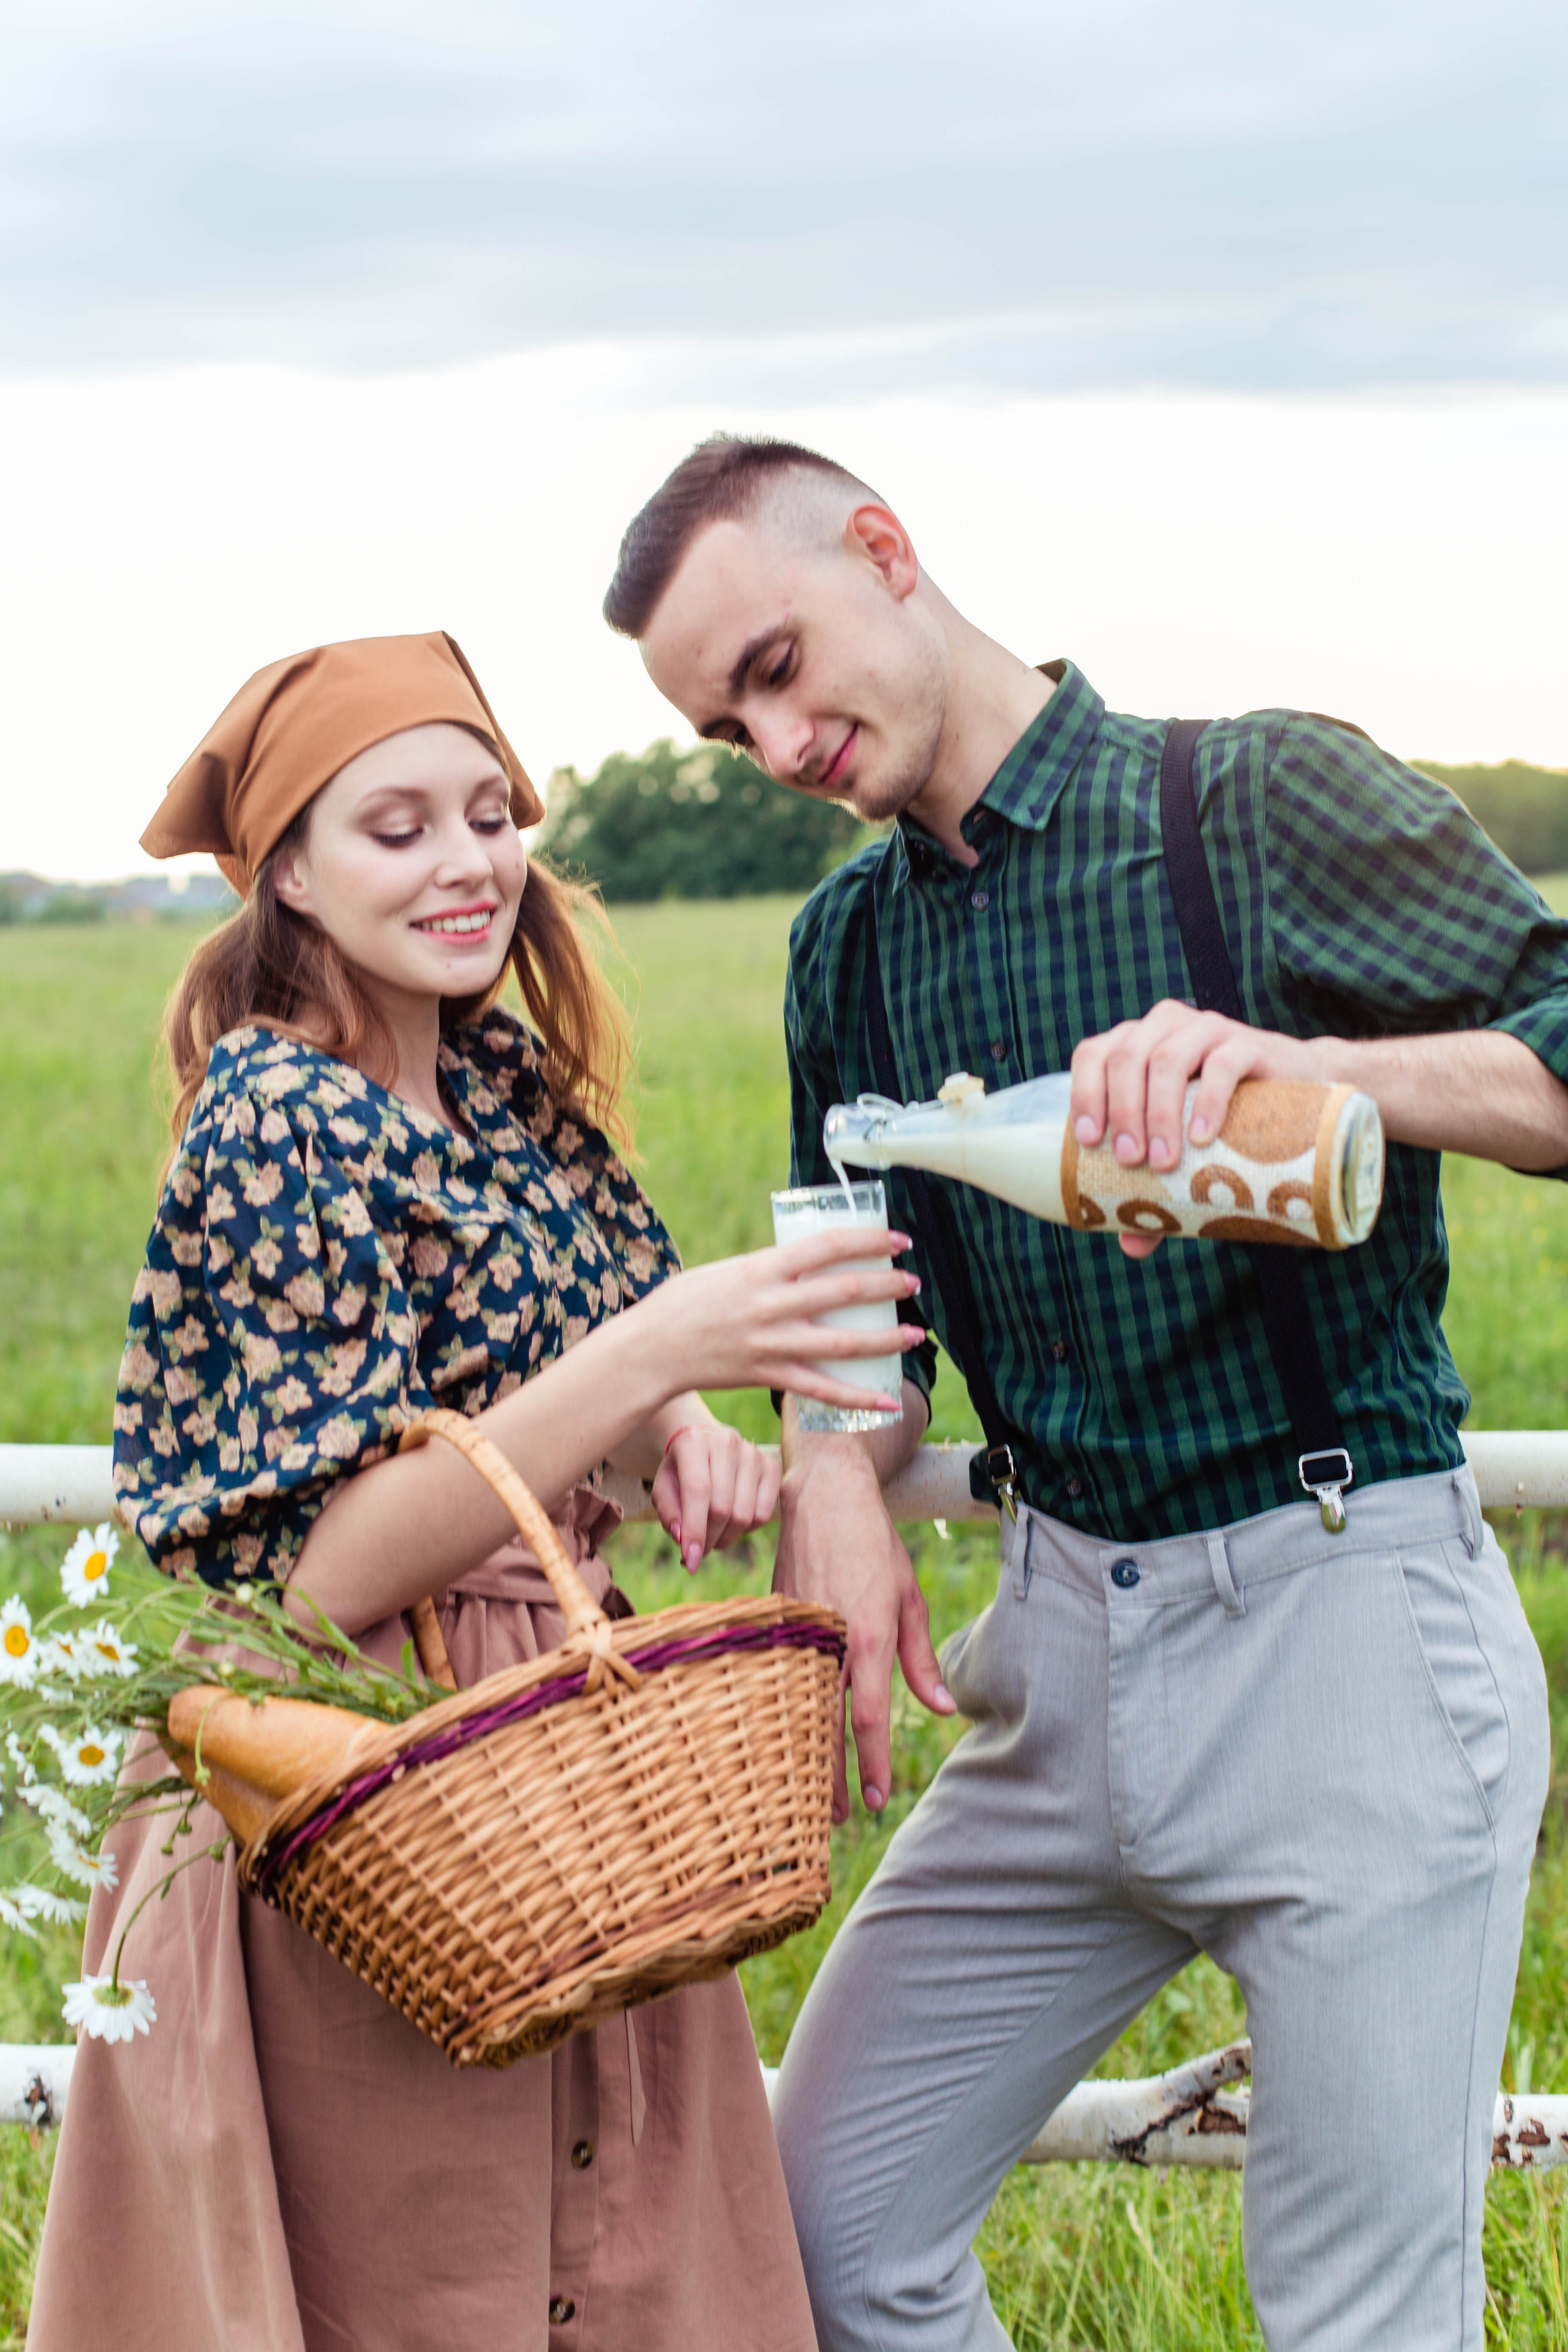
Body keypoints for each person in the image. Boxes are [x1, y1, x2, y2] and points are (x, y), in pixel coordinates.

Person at [603, 437, 1567, 2351]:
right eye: (730, 725)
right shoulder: (845, 953)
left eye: (779, 664)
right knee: (818, 2222)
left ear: (886, 550)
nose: (777, 741)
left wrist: (1307, 1071)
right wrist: (837, 1469)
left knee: (1357, 2317)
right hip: (1052, 1656)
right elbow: (858, 1321)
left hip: (1342, 1629)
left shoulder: (1255, 800)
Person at [29, 631, 924, 2352]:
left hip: (557, 1769)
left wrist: (678, 1439)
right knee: (424, 2273)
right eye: (399, 827)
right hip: (359, 1765)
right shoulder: (279, 1116)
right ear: (287, 867)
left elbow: (603, 1344)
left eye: (493, 811)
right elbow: (321, 1574)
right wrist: (650, 1360)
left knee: (611, 2248)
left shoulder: (506, 1086)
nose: (470, 862)